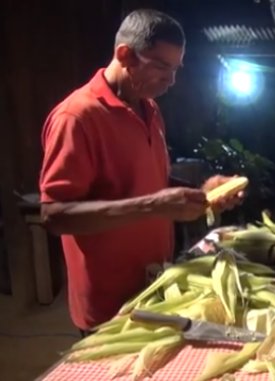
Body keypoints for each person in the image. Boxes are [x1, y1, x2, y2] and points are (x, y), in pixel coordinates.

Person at [39, 9, 243, 334]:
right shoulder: (77, 117)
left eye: (176, 69)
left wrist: (204, 193)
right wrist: (153, 206)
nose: (172, 80)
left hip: (154, 283)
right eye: (162, 67)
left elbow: (150, 183)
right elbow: (55, 214)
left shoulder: (149, 107)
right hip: (107, 301)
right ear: (125, 55)